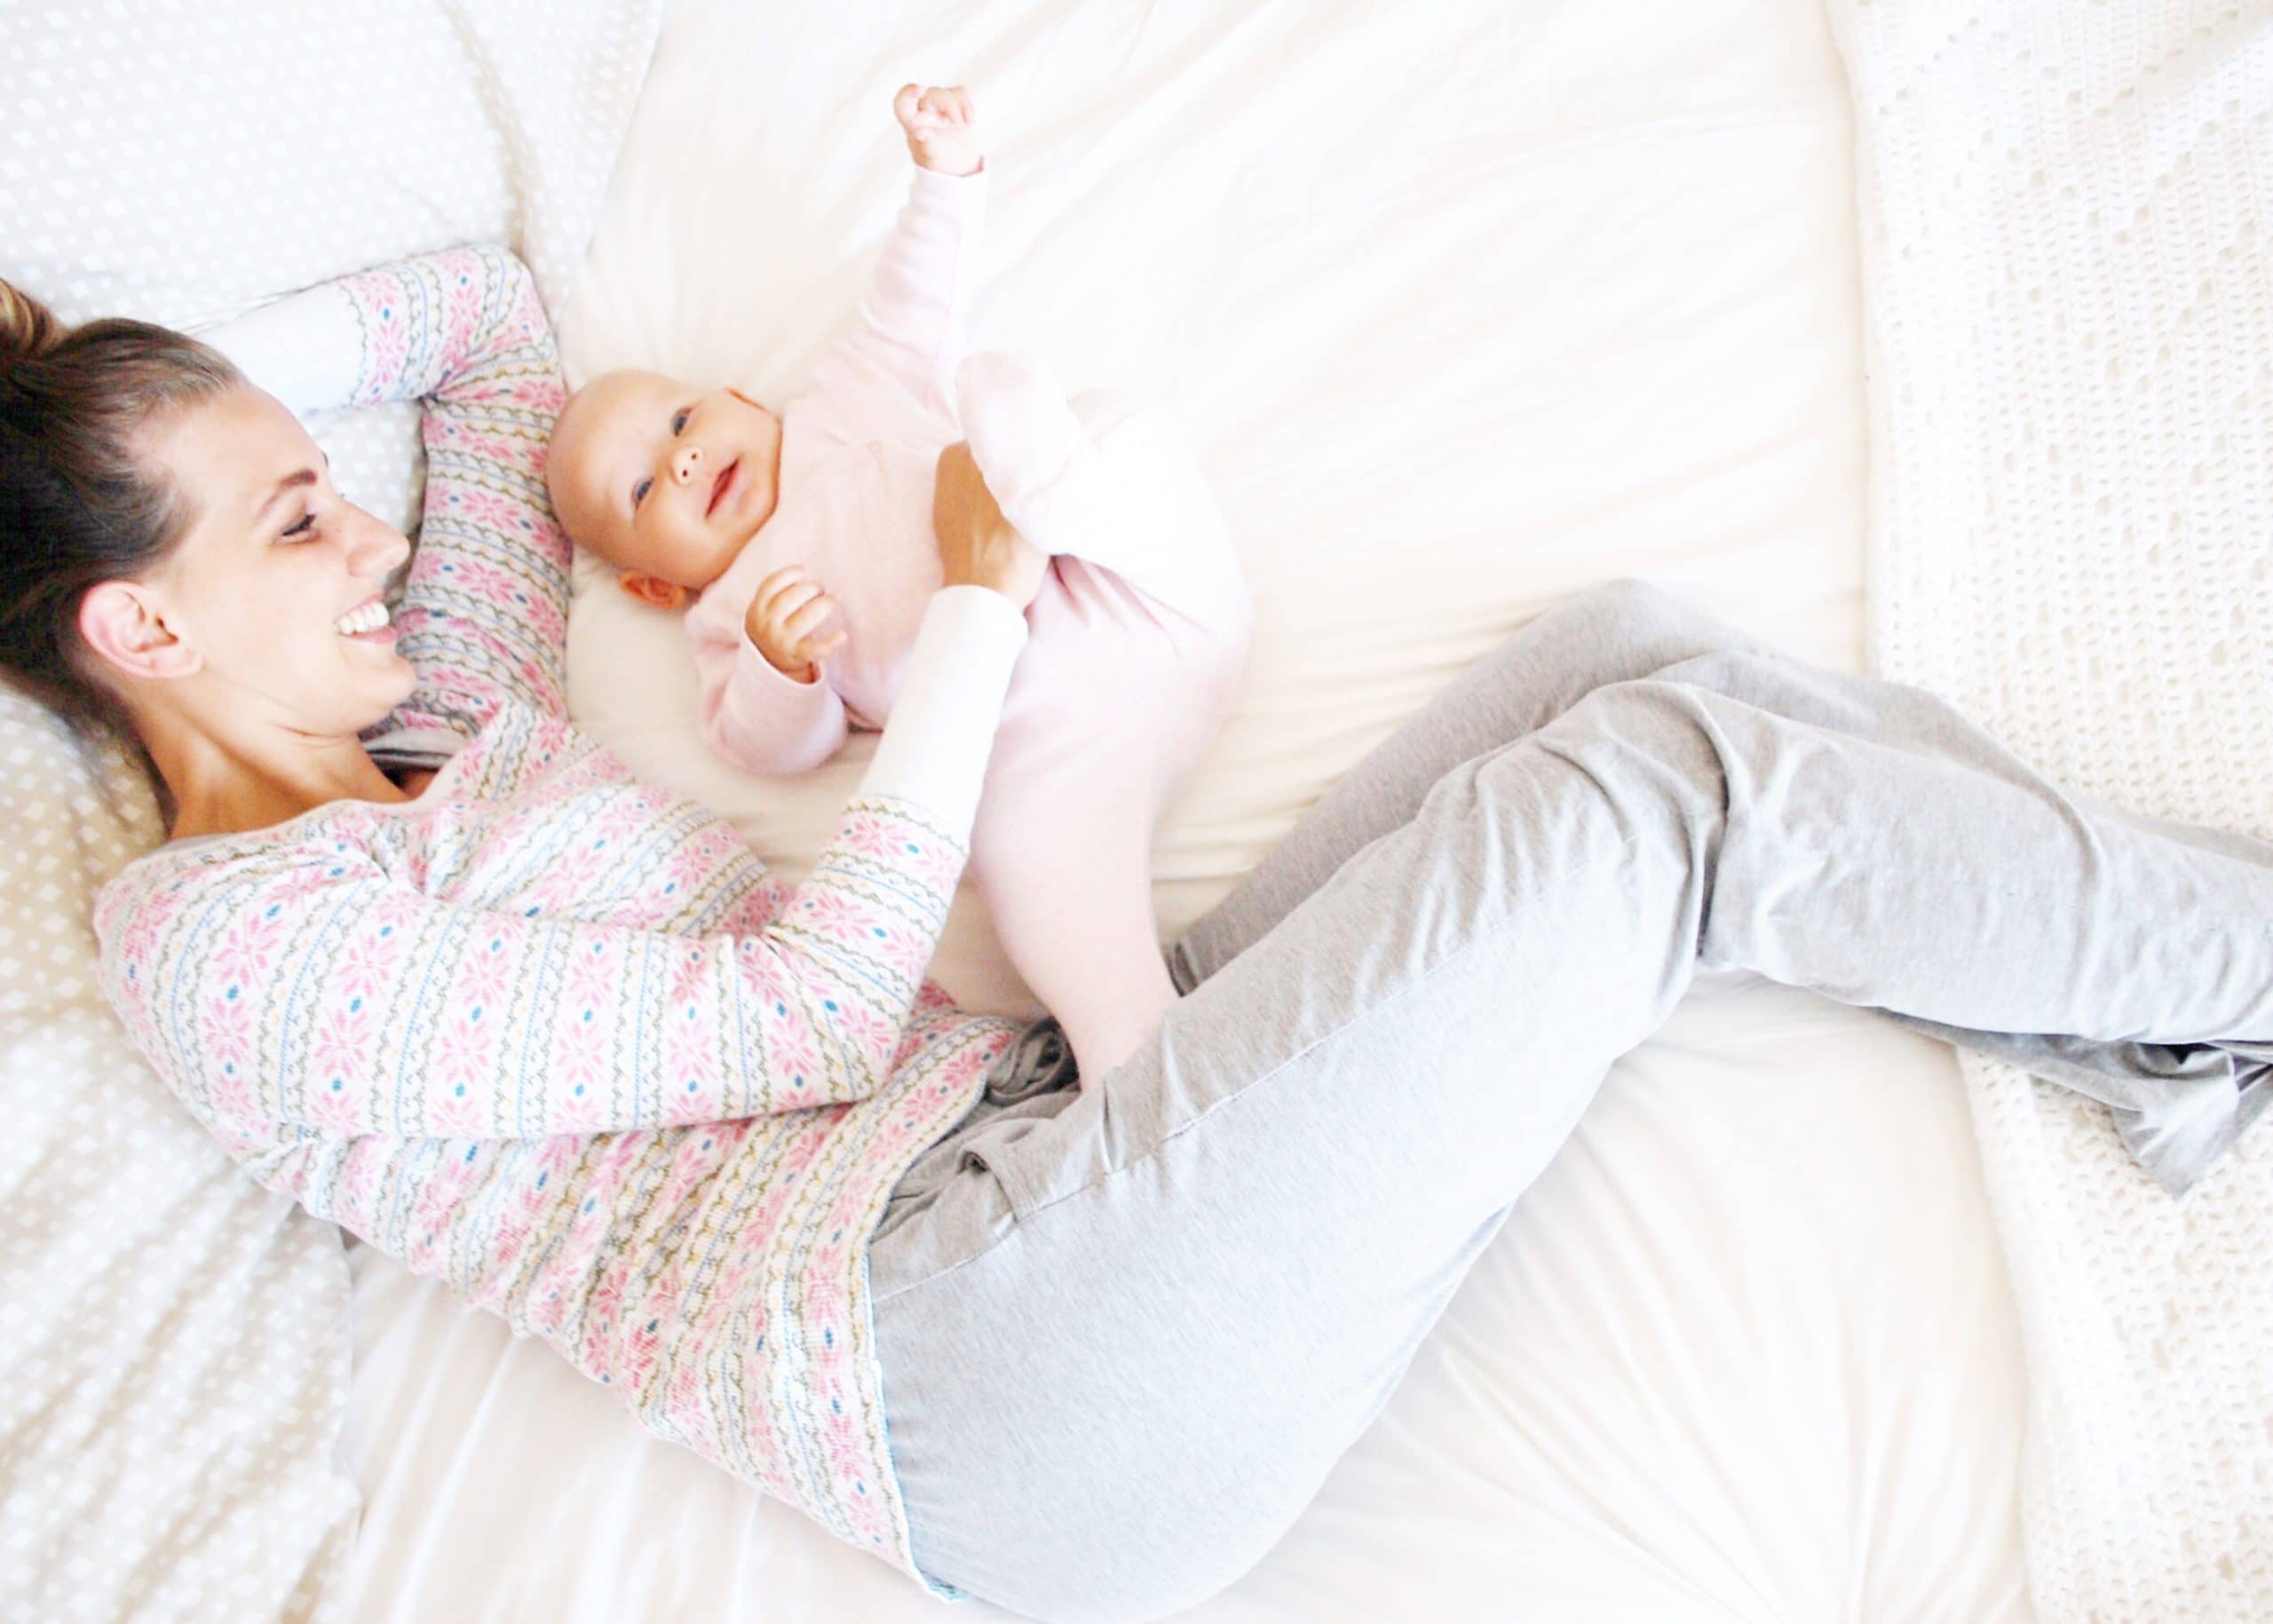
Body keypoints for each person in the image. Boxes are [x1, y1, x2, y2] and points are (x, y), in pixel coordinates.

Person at [2, 246, 2265, 1624]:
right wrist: (972, 608)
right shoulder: (227, 956)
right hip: (969, 1370)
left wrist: (132, 399)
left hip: (1032, 1148)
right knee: (1643, 803)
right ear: (140, 623)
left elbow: (486, 320)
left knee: (1616, 653)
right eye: (301, 512)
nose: (379, 528)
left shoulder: (447, 724)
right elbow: (789, 1014)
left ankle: (2165, 1033)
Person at [543, 82, 1252, 1086]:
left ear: (742, 399)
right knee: (1015, 860)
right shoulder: (730, 623)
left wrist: (945, 176)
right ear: (655, 588)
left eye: (682, 422)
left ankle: (1054, 485)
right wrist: (778, 668)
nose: (689, 460)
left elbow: (914, 294)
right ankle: (1131, 1048)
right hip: (1047, 743)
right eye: (647, 485)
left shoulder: (850, 395)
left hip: (1133, 590)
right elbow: (772, 751)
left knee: (1113, 425)